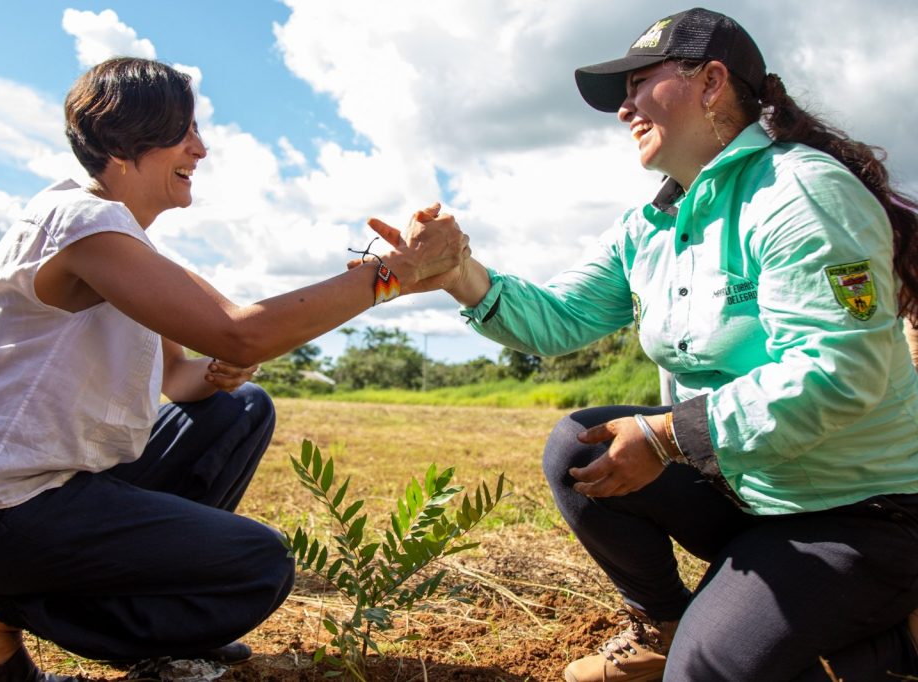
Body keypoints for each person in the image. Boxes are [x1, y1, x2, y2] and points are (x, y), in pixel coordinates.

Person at [373, 7, 918, 681]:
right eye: (621, 93)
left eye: (638, 84)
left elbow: (838, 374)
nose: (624, 106)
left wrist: (666, 436)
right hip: (749, 492)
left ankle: (888, 645)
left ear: (712, 82)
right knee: (579, 447)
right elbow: (559, 320)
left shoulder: (800, 194)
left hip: (856, 513)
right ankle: (666, 622)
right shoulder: (653, 225)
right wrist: (457, 271)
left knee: (709, 670)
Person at [0, 57, 469, 682]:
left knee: (240, 408)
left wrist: (228, 366)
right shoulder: (82, 224)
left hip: (44, 491)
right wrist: (390, 274)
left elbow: (182, 377)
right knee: (257, 566)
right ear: (125, 144)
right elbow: (238, 326)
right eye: (184, 133)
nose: (200, 149)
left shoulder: (120, 239)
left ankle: (145, 606)